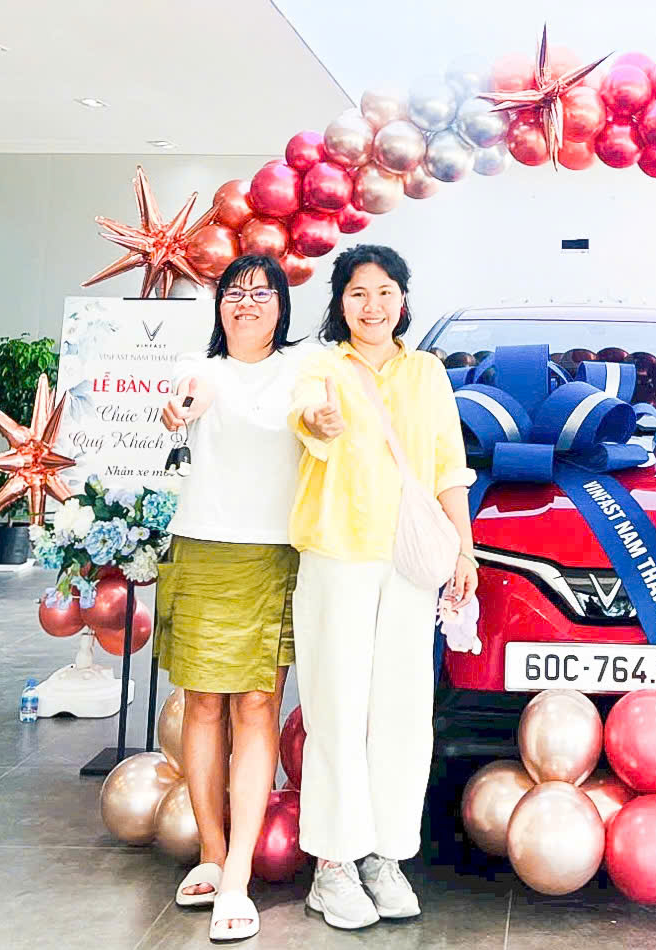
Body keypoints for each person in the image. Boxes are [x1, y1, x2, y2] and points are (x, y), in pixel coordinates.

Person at [288, 244, 476, 931]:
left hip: (408, 563)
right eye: (358, 292)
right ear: (340, 302)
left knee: (403, 711)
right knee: (336, 707)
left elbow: (448, 465)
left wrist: (465, 550)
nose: (372, 305)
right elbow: (307, 414)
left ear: (403, 299)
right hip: (337, 554)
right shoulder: (321, 367)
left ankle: (385, 856)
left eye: (385, 291)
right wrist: (318, 420)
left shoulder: (427, 372)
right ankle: (333, 864)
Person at [154, 253, 309, 941]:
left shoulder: (302, 367)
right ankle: (213, 855)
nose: (246, 302)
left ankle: (240, 873)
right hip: (200, 547)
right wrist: (178, 410)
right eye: (234, 292)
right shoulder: (200, 367)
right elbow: (181, 401)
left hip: (272, 554)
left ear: (282, 305)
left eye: (261, 292)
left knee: (255, 705)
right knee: (202, 704)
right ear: (220, 307)